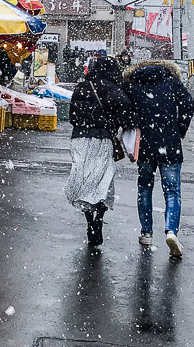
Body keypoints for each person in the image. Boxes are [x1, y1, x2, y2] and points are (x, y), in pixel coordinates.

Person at [124, 60, 194, 258]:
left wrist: (136, 123)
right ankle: (171, 231)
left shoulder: (134, 84)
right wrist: (179, 129)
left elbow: (125, 110)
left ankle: (146, 232)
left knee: (145, 188)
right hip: (169, 144)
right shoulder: (172, 83)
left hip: (145, 145)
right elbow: (189, 104)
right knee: (172, 191)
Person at [66, 56, 135, 246]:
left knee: (86, 179)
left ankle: (89, 219)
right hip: (103, 139)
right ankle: (100, 217)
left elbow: (72, 116)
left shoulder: (81, 87)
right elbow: (128, 119)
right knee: (103, 180)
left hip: (79, 139)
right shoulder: (114, 90)